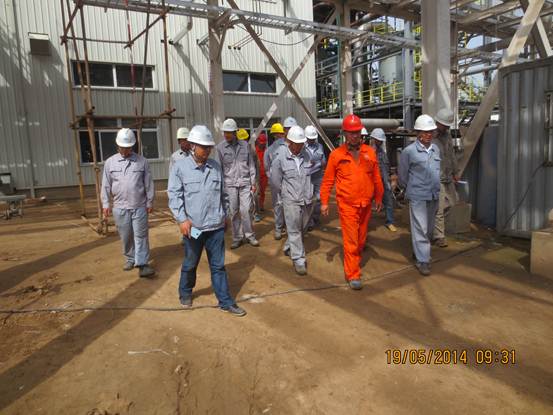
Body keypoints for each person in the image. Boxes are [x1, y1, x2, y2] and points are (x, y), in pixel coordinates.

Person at [167, 125, 247, 316]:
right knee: (190, 262)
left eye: (209, 147)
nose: (207, 150)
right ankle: (185, 291)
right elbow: (174, 196)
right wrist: (182, 220)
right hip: (194, 228)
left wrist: (225, 215)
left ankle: (225, 301)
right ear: (193, 146)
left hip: (216, 227)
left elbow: (224, 195)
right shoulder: (180, 168)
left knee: (218, 266)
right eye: (204, 147)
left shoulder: (215, 167)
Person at [320, 114, 384, 290]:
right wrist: (324, 202)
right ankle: (353, 274)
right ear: (345, 134)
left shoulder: (369, 152)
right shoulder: (336, 155)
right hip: (347, 205)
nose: (355, 136)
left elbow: (377, 177)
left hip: (366, 204)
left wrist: (379, 197)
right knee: (351, 241)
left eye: (357, 132)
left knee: (361, 238)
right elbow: (327, 181)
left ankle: (354, 258)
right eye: (351, 132)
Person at [101, 128, 155, 278]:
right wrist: (105, 204)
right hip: (120, 207)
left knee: (141, 235)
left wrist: (150, 202)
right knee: (126, 235)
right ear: (117, 145)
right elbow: (105, 185)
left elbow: (148, 183)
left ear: (132, 146)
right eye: (122, 147)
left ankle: (142, 263)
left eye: (128, 147)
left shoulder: (142, 162)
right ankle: (130, 258)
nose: (125, 150)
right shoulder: (110, 163)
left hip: (139, 205)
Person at [398, 114, 441, 276]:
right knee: (420, 228)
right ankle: (423, 260)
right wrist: (410, 189)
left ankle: (419, 251)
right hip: (418, 195)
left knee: (428, 229)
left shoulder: (436, 149)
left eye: (431, 131)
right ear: (418, 133)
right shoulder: (409, 152)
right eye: (425, 132)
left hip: (433, 195)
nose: (429, 134)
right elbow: (402, 176)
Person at [270, 126, 313, 276]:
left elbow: (311, 174)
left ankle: (289, 247)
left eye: (302, 143)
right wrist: (283, 195)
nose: (300, 146)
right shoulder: (280, 157)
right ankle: (298, 259)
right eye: (298, 144)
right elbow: (275, 181)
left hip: (306, 198)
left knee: (302, 227)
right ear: (290, 142)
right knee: (294, 229)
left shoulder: (306, 155)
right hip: (290, 199)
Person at [216, 118, 259, 249]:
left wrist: (253, 182)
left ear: (235, 132)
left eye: (229, 132)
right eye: (225, 132)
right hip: (230, 185)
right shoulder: (220, 148)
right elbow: (219, 168)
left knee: (246, 210)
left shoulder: (245, 146)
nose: (227, 135)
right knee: (233, 212)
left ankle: (250, 235)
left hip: (245, 183)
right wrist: (221, 187)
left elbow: (251, 165)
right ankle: (237, 238)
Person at [432, 108, 459, 248]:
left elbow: (451, 154)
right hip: (437, 177)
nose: (447, 128)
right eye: (445, 125)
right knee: (439, 208)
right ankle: (439, 237)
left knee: (452, 203)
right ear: (438, 122)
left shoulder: (447, 136)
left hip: (448, 175)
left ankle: (433, 228)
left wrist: (455, 171)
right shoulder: (430, 136)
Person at [370, 128, 397, 232]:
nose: (380, 142)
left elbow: (387, 167)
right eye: (378, 140)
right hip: (370, 182)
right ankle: (363, 222)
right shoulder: (367, 152)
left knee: (389, 201)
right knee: (366, 203)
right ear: (373, 139)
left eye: (381, 141)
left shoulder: (383, 152)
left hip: (384, 181)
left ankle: (390, 222)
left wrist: (391, 177)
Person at [264, 122, 287, 240]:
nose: (279, 136)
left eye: (280, 134)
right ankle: (280, 227)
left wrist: (271, 178)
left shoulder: (287, 147)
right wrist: (272, 178)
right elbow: (267, 167)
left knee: (281, 204)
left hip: (283, 181)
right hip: (279, 181)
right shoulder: (270, 150)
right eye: (278, 134)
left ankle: (281, 227)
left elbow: (266, 167)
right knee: (281, 204)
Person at [304, 125, 326, 230]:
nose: (312, 140)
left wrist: (320, 163)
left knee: (319, 198)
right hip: (307, 177)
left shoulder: (320, 146)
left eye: (313, 139)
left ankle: (315, 217)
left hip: (318, 175)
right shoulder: (302, 147)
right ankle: (309, 221)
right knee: (308, 199)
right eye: (310, 139)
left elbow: (323, 161)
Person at [254, 132, 269, 221]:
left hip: (264, 175)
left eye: (264, 142)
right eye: (261, 142)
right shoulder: (254, 150)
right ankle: (255, 208)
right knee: (256, 192)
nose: (262, 144)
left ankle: (261, 205)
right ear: (258, 141)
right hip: (256, 175)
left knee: (262, 191)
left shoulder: (267, 151)